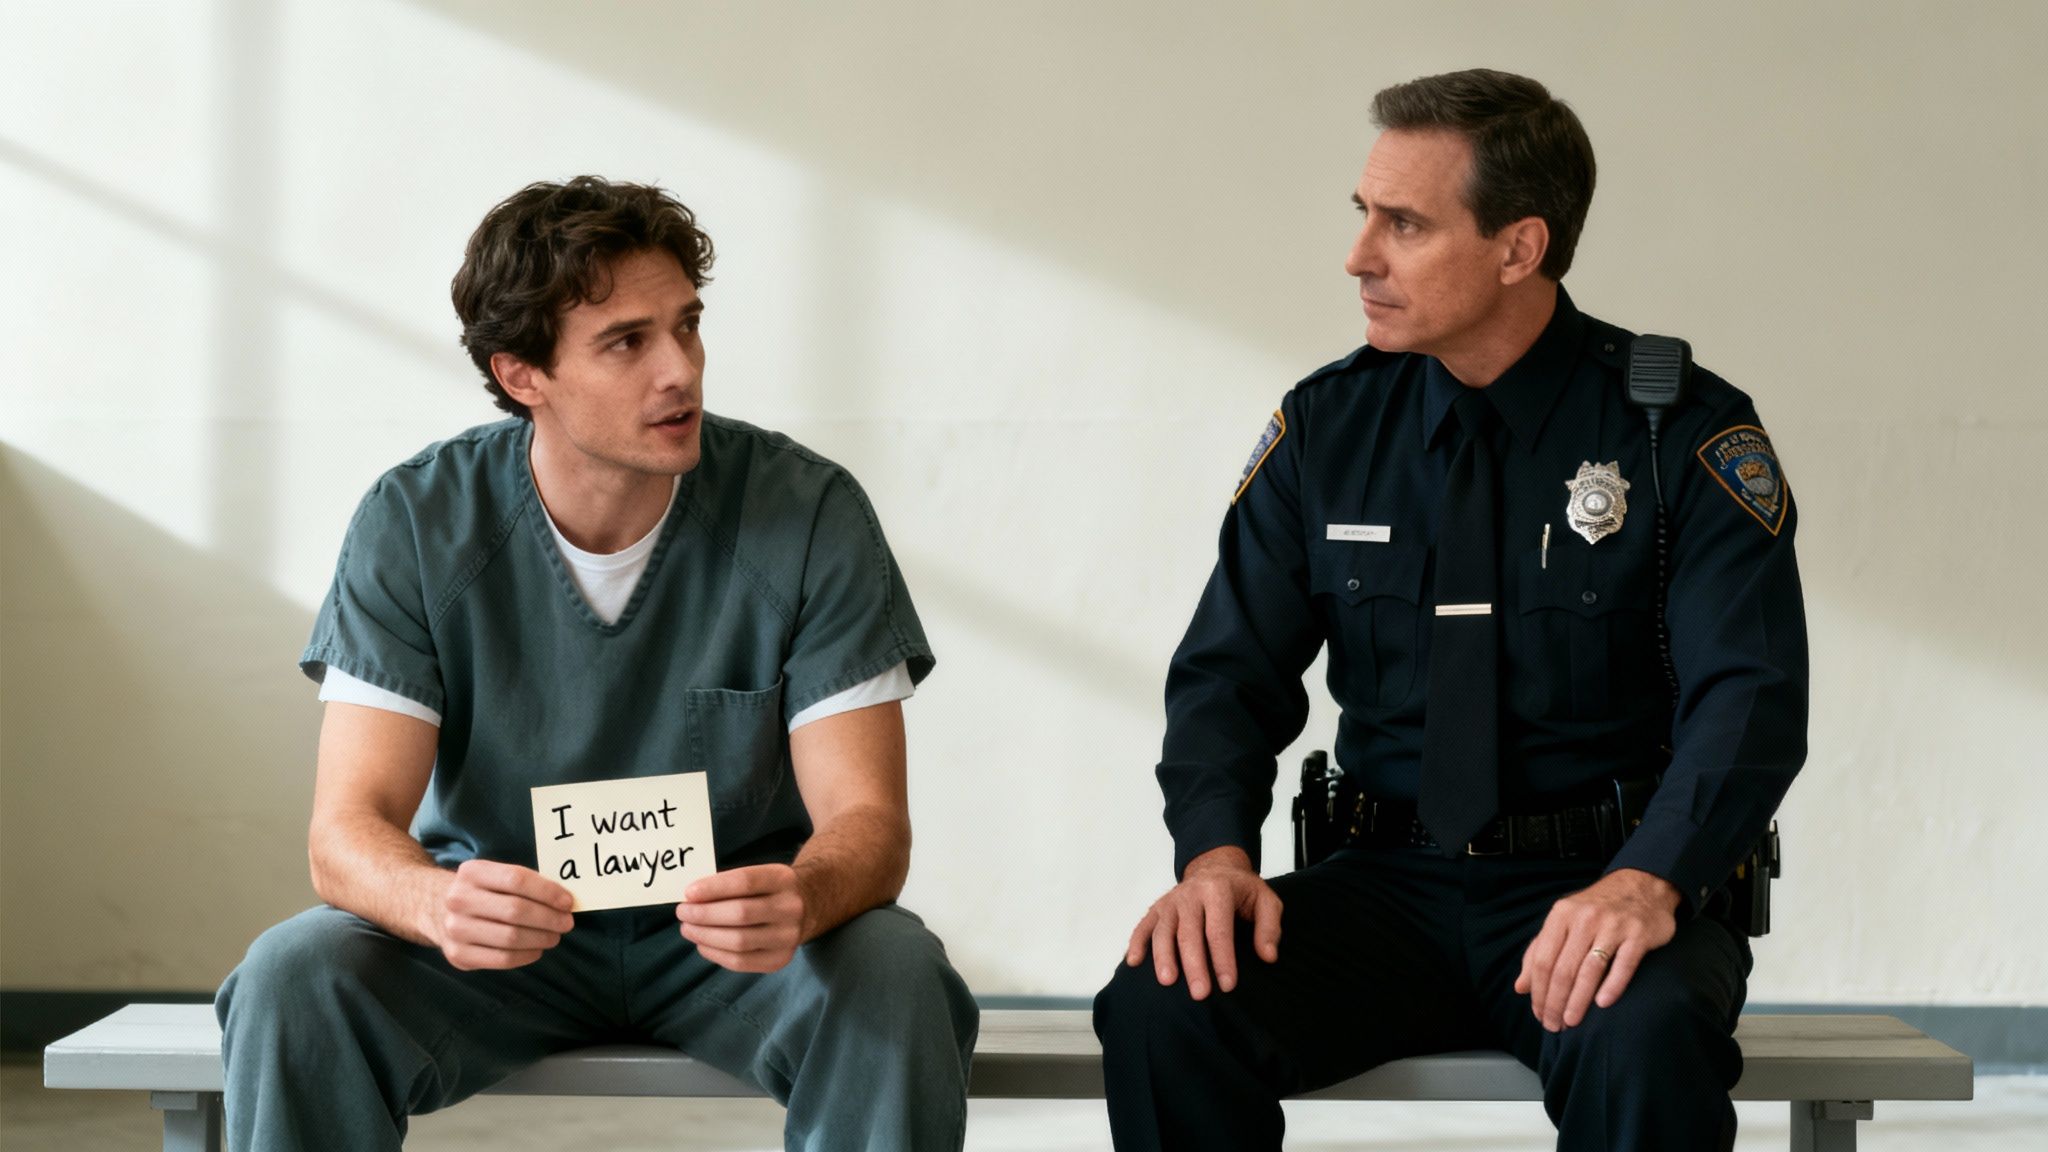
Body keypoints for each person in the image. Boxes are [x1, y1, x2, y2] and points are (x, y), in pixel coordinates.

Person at [1093, 69, 1806, 1151]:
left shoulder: (1677, 435)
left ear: (1518, 248)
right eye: (1363, 214)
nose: (1358, 256)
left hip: (1598, 883)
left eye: (1404, 224)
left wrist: (1649, 879)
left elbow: (1748, 696)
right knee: (1164, 1002)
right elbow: (1225, 678)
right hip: (1381, 886)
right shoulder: (1328, 428)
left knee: (1643, 1037)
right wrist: (1215, 861)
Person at [215, 176, 977, 1151]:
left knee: (896, 970)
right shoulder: (415, 523)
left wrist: (803, 895)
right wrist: (438, 903)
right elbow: (344, 834)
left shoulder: (808, 514)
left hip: (736, 947)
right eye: (627, 342)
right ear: (522, 374)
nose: (680, 370)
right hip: (499, 944)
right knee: (294, 975)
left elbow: (869, 824)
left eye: (687, 326)